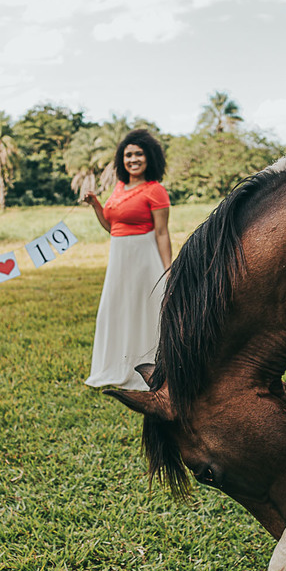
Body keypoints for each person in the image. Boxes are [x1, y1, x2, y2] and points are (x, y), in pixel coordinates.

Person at [81, 128, 173, 391]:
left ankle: (148, 371)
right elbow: (112, 227)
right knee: (117, 309)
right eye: (128, 154)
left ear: (149, 158)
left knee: (143, 311)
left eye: (139, 154)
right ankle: (113, 367)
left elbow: (162, 232)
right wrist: (97, 205)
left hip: (144, 257)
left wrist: (167, 269)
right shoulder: (119, 188)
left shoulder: (156, 191)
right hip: (119, 257)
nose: (133, 159)